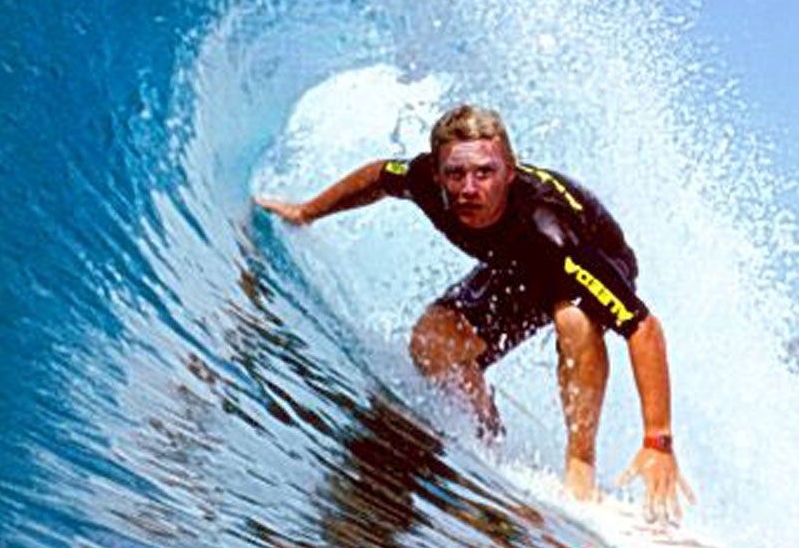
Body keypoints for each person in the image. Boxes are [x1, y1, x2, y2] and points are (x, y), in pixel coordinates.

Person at [256, 104, 693, 524]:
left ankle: (581, 467)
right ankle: (488, 432)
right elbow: (377, 176)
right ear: (438, 172)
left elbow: (643, 328)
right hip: (514, 266)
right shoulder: (425, 180)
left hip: (590, 260)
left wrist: (658, 441)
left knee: (573, 318)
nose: (468, 188)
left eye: (484, 173)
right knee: (432, 341)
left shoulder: (553, 234)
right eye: (456, 174)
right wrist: (305, 212)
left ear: (509, 171)